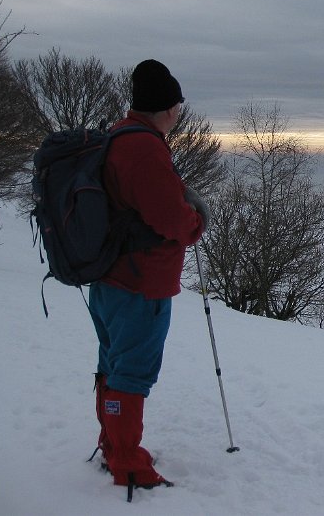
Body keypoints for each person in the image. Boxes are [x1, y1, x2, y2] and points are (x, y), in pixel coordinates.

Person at [89, 59, 208, 496]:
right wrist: (197, 218)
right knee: (132, 372)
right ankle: (126, 462)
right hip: (141, 283)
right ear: (169, 107)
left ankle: (112, 444)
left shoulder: (118, 136)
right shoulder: (145, 149)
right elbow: (171, 221)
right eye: (177, 104)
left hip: (111, 277)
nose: (179, 112)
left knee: (113, 364)